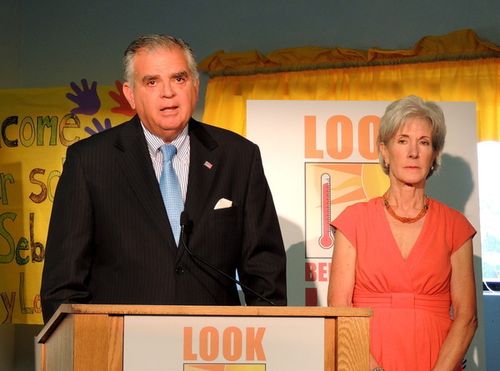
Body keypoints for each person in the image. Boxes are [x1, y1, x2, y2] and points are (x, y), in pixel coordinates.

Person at [41, 34, 287, 323]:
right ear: (130, 94)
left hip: (211, 350)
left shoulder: (238, 157)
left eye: (179, 79)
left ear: (195, 86)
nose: (168, 92)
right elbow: (63, 284)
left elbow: (265, 271)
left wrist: (271, 341)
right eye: (152, 82)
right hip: (118, 350)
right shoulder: (90, 161)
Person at [327, 95, 477, 371]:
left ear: (434, 154)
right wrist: (371, 369)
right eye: (402, 140)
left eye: (424, 142)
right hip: (367, 358)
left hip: (438, 358)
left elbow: (467, 317)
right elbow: (339, 306)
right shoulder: (354, 220)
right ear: (384, 151)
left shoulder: (456, 226)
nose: (413, 153)